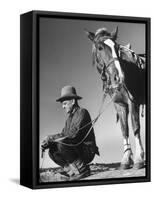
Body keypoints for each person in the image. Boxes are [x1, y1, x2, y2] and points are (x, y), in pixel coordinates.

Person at [41, 85, 99, 181]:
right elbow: (63, 134)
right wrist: (49, 143)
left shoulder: (82, 112)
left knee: (61, 143)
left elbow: (73, 135)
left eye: (64, 103)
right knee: (52, 150)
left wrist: (50, 138)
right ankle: (72, 171)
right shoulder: (68, 119)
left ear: (72, 101)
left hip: (87, 151)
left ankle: (82, 170)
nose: (63, 107)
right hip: (77, 149)